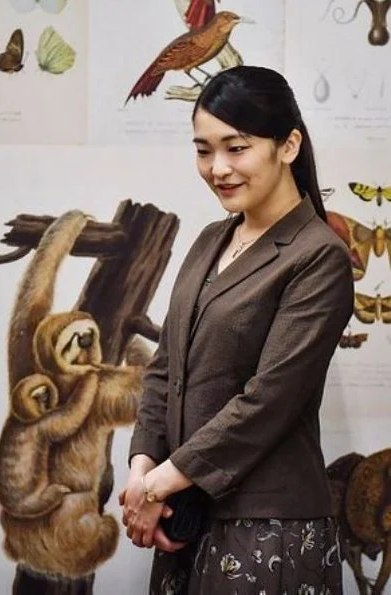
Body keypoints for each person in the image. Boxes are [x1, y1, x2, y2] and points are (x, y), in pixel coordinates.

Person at [120, 65, 354, 594]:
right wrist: (141, 470)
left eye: (237, 147)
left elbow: (268, 401)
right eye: (204, 150)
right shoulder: (209, 240)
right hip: (183, 519)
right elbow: (164, 370)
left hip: (269, 532)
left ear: (288, 145)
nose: (218, 167)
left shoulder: (318, 255)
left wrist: (157, 485)